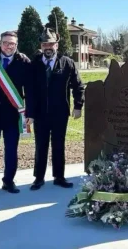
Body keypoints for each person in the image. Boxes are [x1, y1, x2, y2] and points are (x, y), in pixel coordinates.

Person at [0, 31, 34, 195]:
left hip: (12, 116)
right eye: (6, 43)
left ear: (17, 45)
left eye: (12, 43)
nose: (9, 46)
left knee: (11, 150)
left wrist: (29, 112)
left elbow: (29, 89)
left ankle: (8, 181)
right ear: (0, 43)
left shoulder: (23, 61)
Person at [30, 27, 84, 190]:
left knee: (59, 145)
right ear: (41, 45)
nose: (48, 47)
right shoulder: (35, 63)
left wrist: (78, 106)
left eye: (51, 44)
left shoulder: (67, 62)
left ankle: (59, 177)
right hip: (40, 113)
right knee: (41, 145)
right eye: (45, 44)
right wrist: (30, 113)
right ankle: (38, 178)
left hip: (60, 112)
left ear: (56, 45)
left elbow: (78, 86)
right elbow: (30, 90)